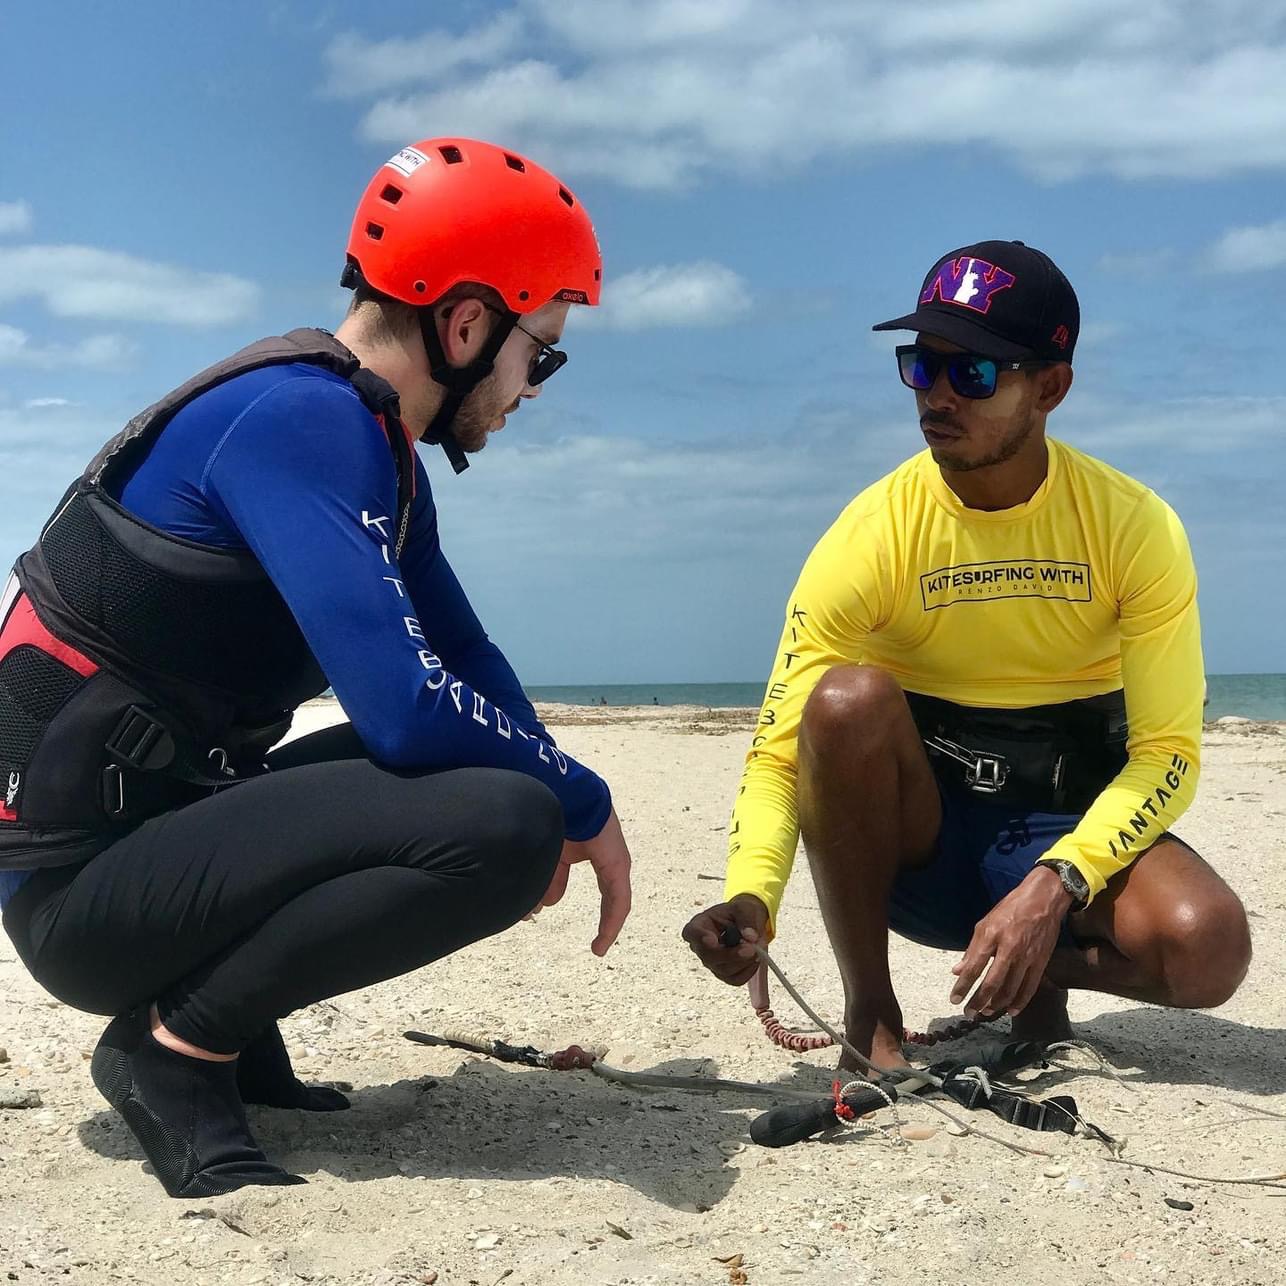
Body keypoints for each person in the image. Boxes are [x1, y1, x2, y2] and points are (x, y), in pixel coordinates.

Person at [0, 137, 632, 1197]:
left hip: (151, 842)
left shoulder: (370, 444)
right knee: (504, 819)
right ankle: (174, 1048)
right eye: (544, 350)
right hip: (82, 900)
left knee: (514, 789)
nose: (534, 387)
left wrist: (553, 767)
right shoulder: (298, 421)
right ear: (469, 322)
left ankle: (232, 1035)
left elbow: (466, 654)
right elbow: (401, 707)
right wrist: (578, 796)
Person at [683, 240, 1250, 1072]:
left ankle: (1036, 977)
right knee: (843, 702)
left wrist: (1055, 886)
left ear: (1050, 386)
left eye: (974, 373)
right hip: (923, 844)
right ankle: (870, 1013)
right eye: (923, 366)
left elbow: (1169, 755)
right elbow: (779, 748)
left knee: (1210, 949)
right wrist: (752, 897)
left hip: (1067, 822)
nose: (938, 396)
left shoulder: (1134, 527)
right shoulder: (872, 533)